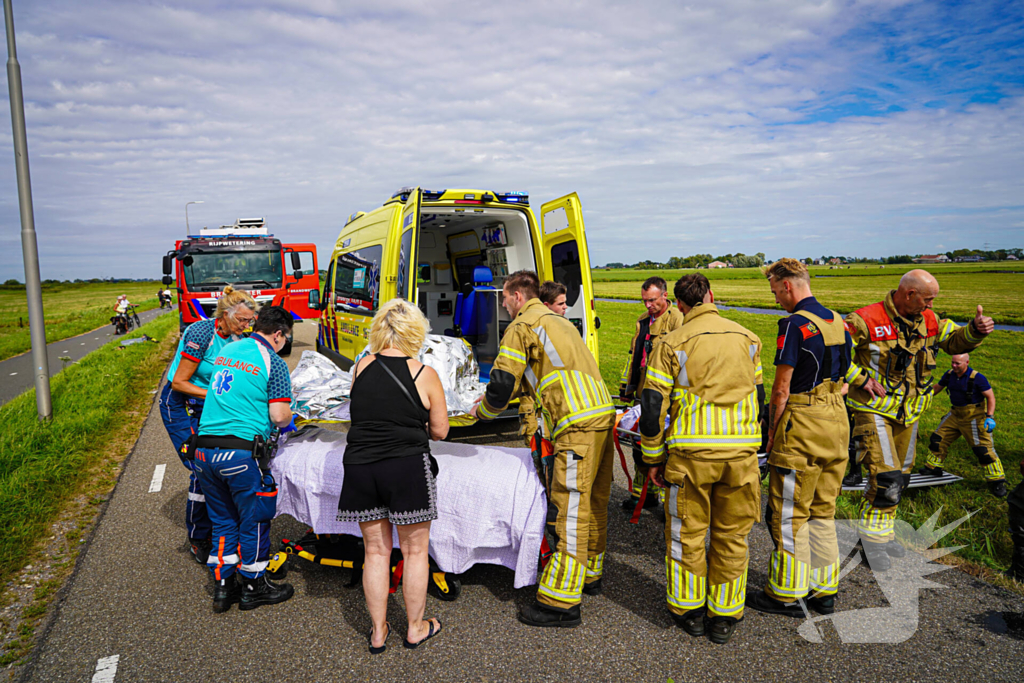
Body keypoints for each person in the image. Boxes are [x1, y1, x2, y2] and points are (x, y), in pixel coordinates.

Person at [471, 270, 615, 628]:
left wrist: (481, 412)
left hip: (575, 424)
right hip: (601, 415)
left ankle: (560, 603)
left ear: (518, 296)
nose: (502, 304)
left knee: (570, 508)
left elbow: (502, 382)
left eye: (504, 297)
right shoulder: (558, 322)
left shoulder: (522, 326)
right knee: (594, 501)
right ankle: (588, 574)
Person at [640, 273, 763, 645]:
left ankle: (689, 611)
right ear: (712, 295)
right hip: (741, 454)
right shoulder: (749, 338)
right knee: (732, 536)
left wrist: (652, 457)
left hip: (691, 455)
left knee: (686, 535)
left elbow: (651, 405)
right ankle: (724, 616)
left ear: (679, 304)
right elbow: (758, 397)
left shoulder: (673, 341)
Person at [843, 270, 993, 571]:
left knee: (901, 479)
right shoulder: (864, 319)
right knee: (885, 478)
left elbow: (954, 342)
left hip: (910, 412)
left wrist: (975, 331)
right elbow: (833, 351)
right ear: (909, 294)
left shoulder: (932, 320)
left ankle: (879, 535)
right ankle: (872, 546)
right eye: (927, 299)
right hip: (874, 409)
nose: (930, 304)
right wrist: (859, 378)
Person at [337, 298, 449, 652]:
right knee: (415, 552)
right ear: (416, 333)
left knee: (376, 552)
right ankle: (414, 627)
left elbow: (363, 412)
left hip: (360, 466)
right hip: (405, 467)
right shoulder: (424, 373)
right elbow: (441, 431)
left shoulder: (361, 367)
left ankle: (378, 631)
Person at [745, 258, 853, 618]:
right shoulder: (838, 320)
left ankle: (786, 594)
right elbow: (848, 373)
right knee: (823, 510)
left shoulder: (794, 325)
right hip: (838, 420)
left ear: (787, 285)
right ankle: (825, 591)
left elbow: (781, 388)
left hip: (804, 423)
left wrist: (772, 434)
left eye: (775, 291)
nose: (776, 298)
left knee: (789, 513)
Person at [193, 305, 295, 613]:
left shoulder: (230, 349)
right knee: (254, 519)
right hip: (239, 453)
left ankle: (223, 586)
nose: (285, 343)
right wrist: (291, 419)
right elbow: (278, 415)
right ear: (278, 334)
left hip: (204, 451)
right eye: (286, 338)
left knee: (223, 520)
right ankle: (253, 586)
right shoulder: (273, 363)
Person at [158, 286, 255, 566]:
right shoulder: (202, 333)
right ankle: (199, 536)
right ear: (225, 315)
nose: (246, 326)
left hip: (207, 406)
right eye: (242, 320)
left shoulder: (237, 337)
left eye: (250, 321)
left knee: (220, 463)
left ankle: (223, 528)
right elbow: (179, 382)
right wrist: (221, 395)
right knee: (200, 469)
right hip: (180, 404)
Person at [618, 276, 683, 512]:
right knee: (641, 445)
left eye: (652, 300)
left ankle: (668, 504)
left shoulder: (678, 320)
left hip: (666, 395)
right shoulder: (642, 320)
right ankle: (643, 495)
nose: (648, 305)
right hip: (644, 391)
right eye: (644, 300)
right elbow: (634, 357)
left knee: (665, 448)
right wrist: (628, 388)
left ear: (665, 296)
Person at [921, 353, 1006, 496]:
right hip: (955, 414)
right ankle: (933, 468)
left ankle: (997, 481)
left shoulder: (978, 378)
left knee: (983, 450)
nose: (954, 366)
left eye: (957, 363)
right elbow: (938, 387)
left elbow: (990, 397)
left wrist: (989, 417)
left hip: (974, 416)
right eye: (952, 362)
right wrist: (923, 397)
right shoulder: (949, 374)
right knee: (938, 439)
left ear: (967, 362)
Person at [519, 280, 569, 445]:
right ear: (546, 306)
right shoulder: (528, 331)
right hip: (536, 405)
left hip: (559, 403)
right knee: (539, 456)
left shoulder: (566, 328)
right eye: (561, 303)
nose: (565, 307)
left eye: (565, 302)